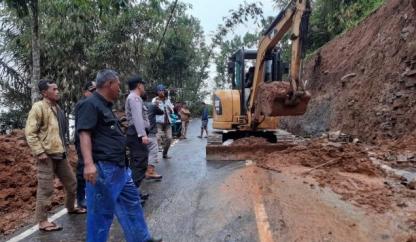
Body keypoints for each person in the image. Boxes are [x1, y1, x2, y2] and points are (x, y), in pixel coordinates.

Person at [77, 69, 161, 242]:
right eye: (117, 84)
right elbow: (84, 133)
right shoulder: (89, 104)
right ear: (109, 84)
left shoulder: (106, 106)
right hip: (103, 168)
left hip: (119, 168)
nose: (119, 89)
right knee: (100, 215)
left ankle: (141, 239)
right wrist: (88, 164)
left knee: (132, 203)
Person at [25, 79, 86, 232]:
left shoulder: (57, 108)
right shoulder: (38, 107)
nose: (57, 91)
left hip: (60, 153)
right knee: (46, 189)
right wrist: (40, 152)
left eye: (57, 89)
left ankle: (71, 207)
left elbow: (59, 132)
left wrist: (65, 148)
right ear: (45, 92)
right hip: (46, 155)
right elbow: (30, 133)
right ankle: (43, 221)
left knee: (72, 183)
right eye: (54, 89)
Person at [125, 75, 154, 199]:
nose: (144, 87)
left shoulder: (134, 98)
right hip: (137, 134)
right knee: (140, 163)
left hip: (135, 133)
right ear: (139, 85)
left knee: (136, 163)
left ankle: (135, 192)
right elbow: (137, 117)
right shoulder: (134, 98)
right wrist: (142, 135)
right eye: (143, 85)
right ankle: (132, 195)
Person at [74, 81, 96, 209]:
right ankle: (81, 198)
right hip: (82, 141)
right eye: (92, 91)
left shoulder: (94, 104)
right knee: (83, 167)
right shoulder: (82, 104)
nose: (94, 94)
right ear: (86, 92)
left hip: (93, 140)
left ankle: (90, 195)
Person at [143, 93, 163, 180]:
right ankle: (150, 171)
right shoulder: (152, 105)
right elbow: (161, 112)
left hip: (139, 132)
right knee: (153, 151)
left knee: (144, 151)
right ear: (147, 97)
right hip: (150, 132)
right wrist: (157, 105)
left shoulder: (136, 105)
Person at [152, 84, 174, 159]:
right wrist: (156, 105)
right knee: (158, 138)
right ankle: (154, 155)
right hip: (158, 122)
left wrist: (170, 109)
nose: (161, 92)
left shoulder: (168, 100)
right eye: (159, 90)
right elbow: (151, 110)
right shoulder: (154, 100)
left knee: (169, 138)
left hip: (167, 122)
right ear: (157, 92)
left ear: (164, 91)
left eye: (162, 90)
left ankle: (165, 154)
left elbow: (172, 111)